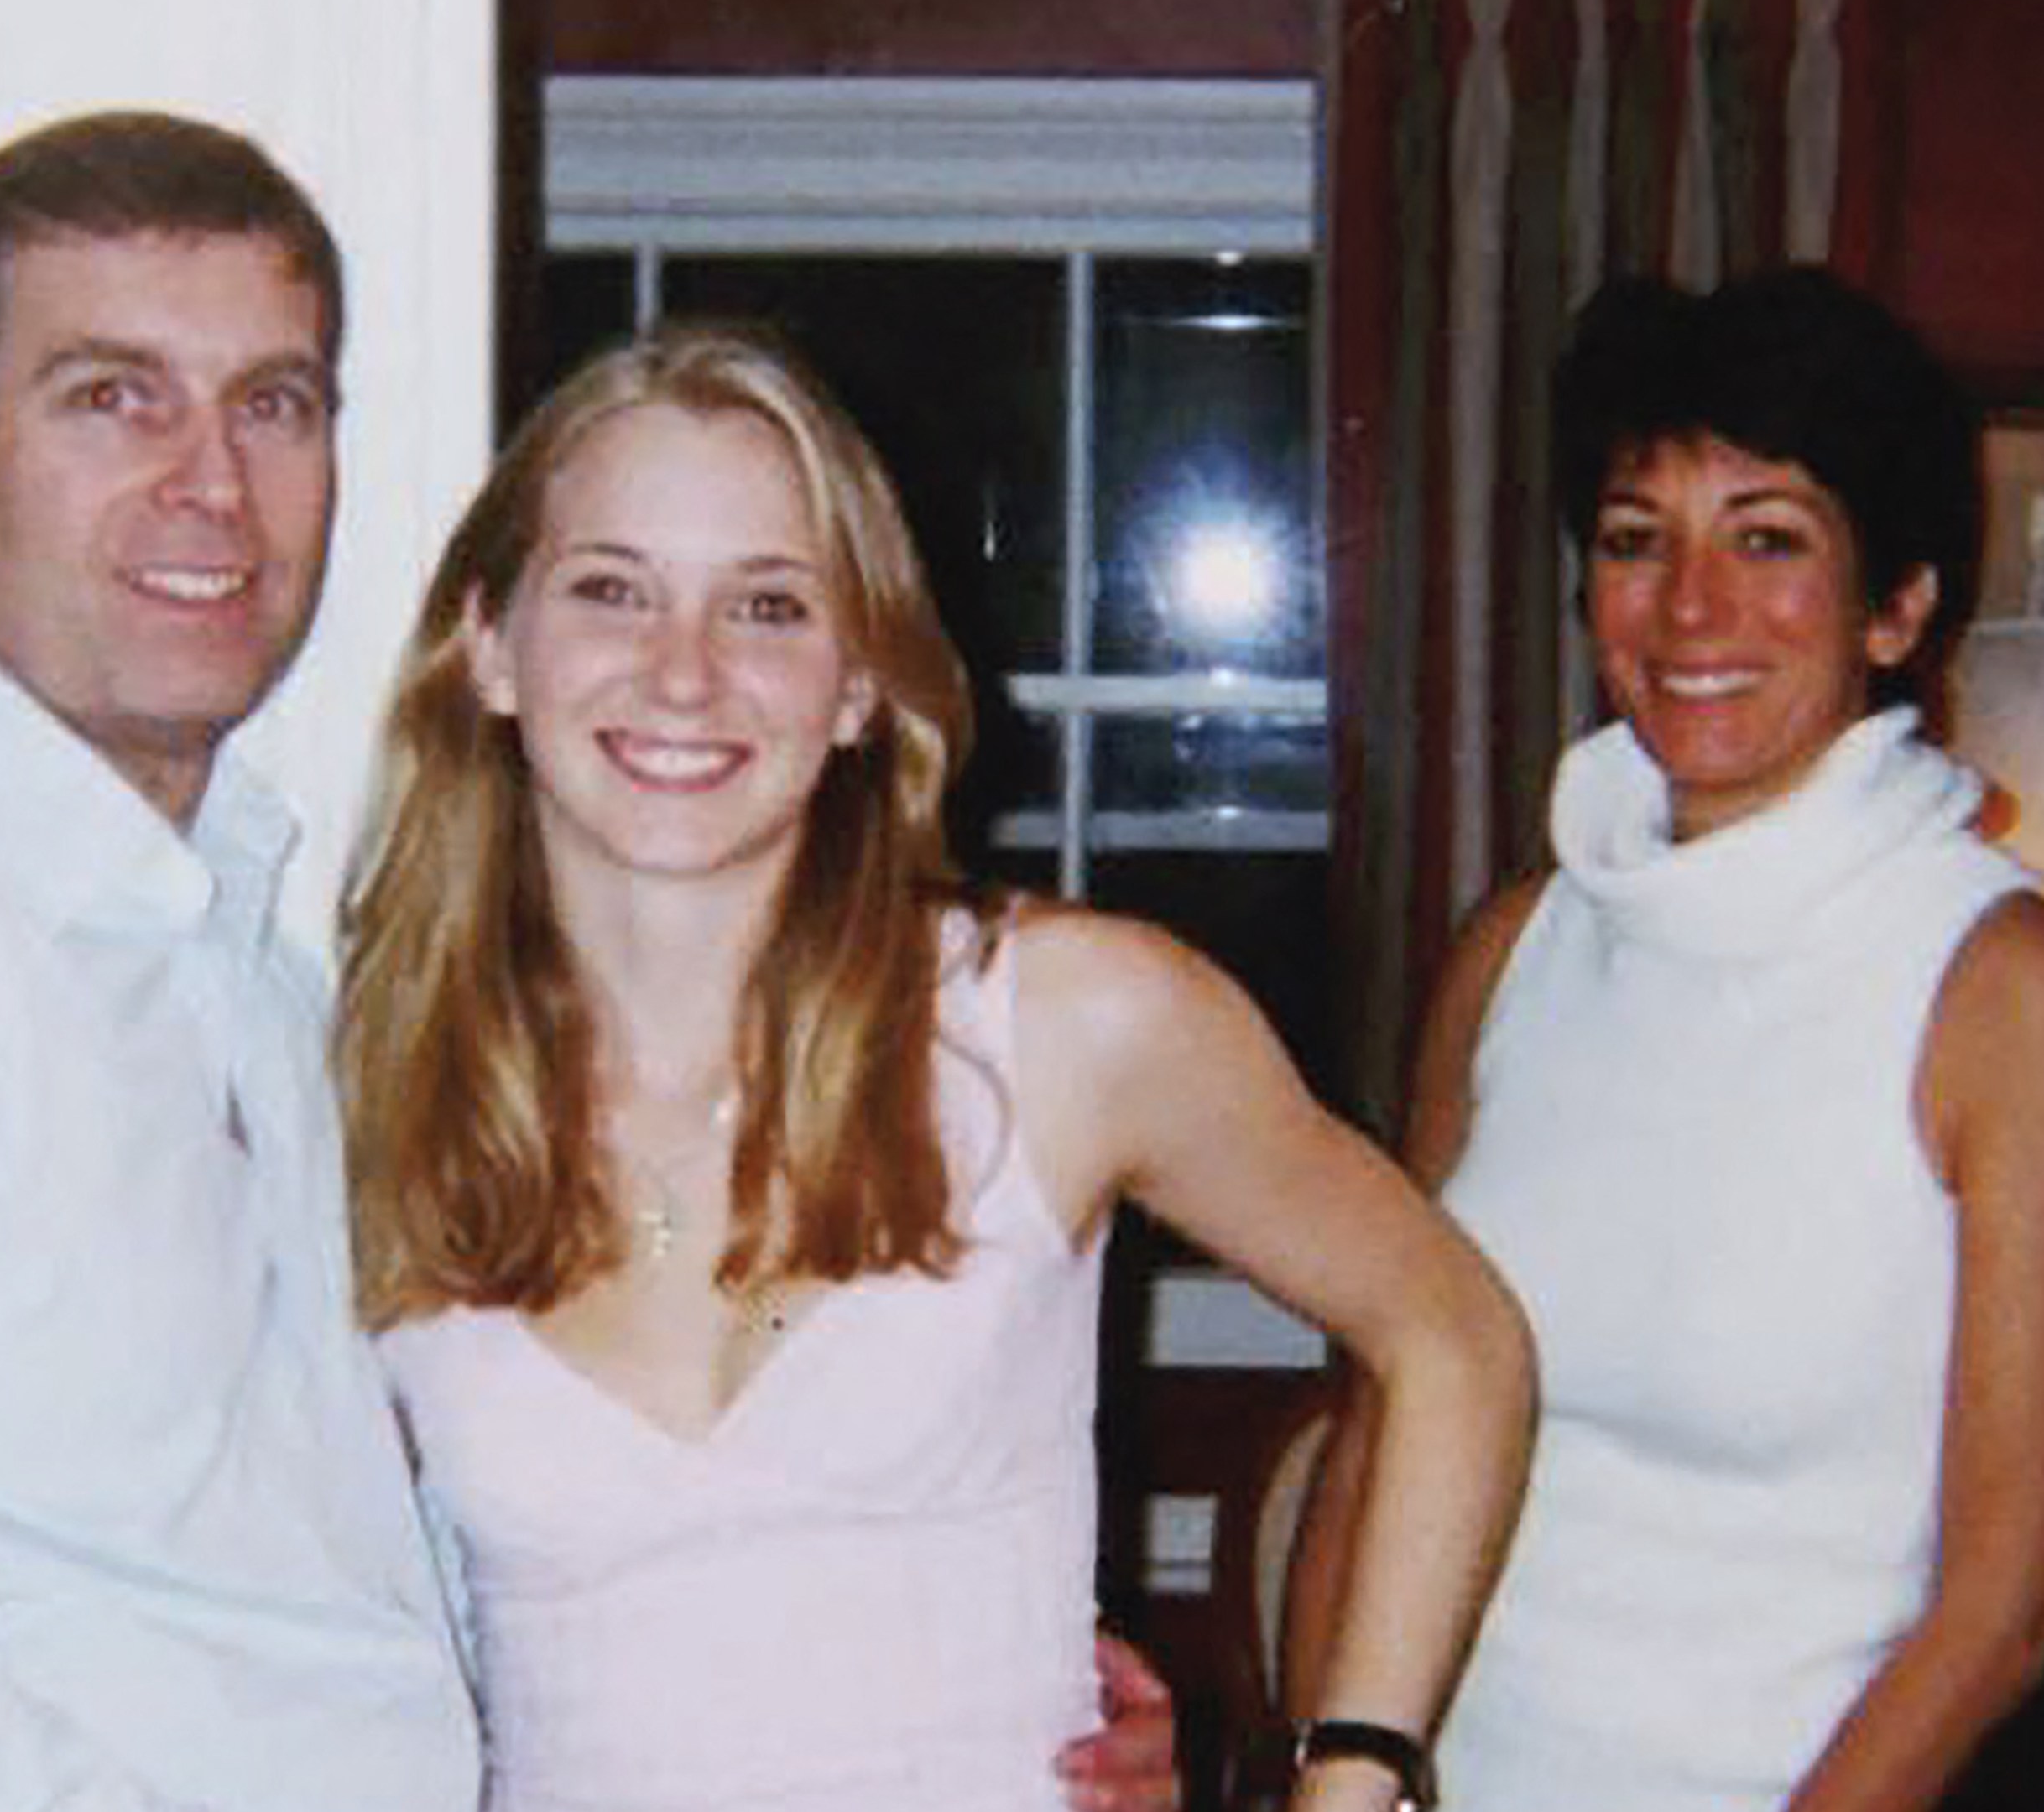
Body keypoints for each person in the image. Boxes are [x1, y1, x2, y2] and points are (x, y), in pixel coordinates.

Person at [0, 112, 1181, 1812]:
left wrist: (957, 1683)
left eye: (275, 404)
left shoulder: (252, 962)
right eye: (112, 396)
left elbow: (345, 1599)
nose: (211, 484)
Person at [336, 325, 1536, 1812]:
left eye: (767, 606)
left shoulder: (1062, 1022)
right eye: (609, 590)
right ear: (490, 648)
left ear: (854, 685)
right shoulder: (360, 1095)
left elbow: (1454, 1337)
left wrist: (1351, 1775)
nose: (683, 672)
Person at [1285, 268, 2044, 1812]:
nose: (1689, 609)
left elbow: (2002, 1603)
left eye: (1768, 540)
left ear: (1897, 606)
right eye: (1637, 542)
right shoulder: (1513, 951)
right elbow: (1376, 1432)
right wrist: (1328, 1779)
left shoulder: (1996, 992)